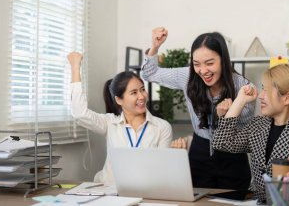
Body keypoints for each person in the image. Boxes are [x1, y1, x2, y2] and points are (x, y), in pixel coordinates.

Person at [141, 27, 255, 190]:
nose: (203, 70)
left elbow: (243, 128)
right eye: (196, 64)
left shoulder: (244, 88)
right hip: (199, 151)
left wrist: (226, 114)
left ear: (223, 59)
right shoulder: (188, 76)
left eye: (209, 63)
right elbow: (149, 74)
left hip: (232, 156)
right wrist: (155, 46)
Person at [212, 64, 289, 202]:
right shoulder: (258, 125)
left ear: (286, 98)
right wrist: (240, 101)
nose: (260, 96)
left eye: (266, 90)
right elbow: (221, 143)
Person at [68, 52, 173, 185]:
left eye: (142, 90)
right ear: (119, 100)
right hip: (109, 191)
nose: (141, 96)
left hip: (146, 191)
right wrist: (75, 68)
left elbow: (162, 169)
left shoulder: (162, 127)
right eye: (134, 93)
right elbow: (79, 113)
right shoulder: (110, 123)